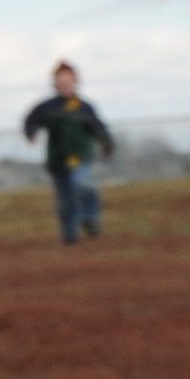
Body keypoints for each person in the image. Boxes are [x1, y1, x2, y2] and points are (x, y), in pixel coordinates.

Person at [22, 59, 116, 244]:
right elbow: (30, 121)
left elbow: (99, 128)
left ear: (75, 81)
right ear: (55, 83)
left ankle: (89, 219)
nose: (64, 83)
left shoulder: (84, 107)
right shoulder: (47, 107)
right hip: (57, 160)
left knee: (84, 184)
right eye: (61, 80)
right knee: (65, 200)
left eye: (68, 79)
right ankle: (69, 235)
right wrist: (31, 133)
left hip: (80, 157)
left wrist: (107, 145)